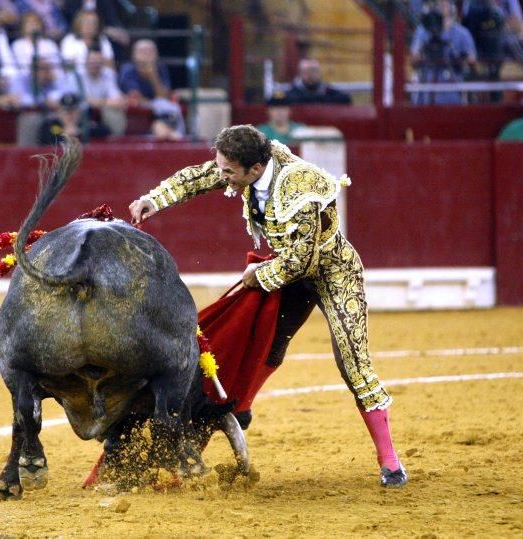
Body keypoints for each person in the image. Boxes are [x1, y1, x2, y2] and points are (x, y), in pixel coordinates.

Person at [128, 125, 408, 488]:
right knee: (269, 341)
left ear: (255, 169)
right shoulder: (249, 163)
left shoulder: (300, 190)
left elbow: (304, 259)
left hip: (333, 271)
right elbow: (202, 176)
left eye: (229, 171)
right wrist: (156, 198)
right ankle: (241, 405)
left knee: (352, 363)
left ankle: (390, 462)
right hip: (285, 268)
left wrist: (259, 273)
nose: (222, 176)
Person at [410, 0, 477, 105]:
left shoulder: (462, 33)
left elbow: (472, 60)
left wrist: (456, 58)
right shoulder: (422, 31)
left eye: (443, 3)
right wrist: (424, 51)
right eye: (437, 4)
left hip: (452, 92)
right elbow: (413, 60)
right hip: (426, 93)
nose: (440, 7)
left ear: (450, 6)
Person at [79, 46, 125, 135]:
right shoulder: (78, 75)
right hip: (82, 111)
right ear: (86, 62)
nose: (95, 64)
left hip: (102, 109)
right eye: (92, 61)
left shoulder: (108, 73)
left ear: (102, 63)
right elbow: (86, 99)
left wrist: (106, 102)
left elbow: (117, 98)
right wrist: (106, 102)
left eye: (98, 62)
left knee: (115, 113)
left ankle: (115, 142)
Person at [118, 38, 171, 104]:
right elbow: (134, 97)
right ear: (134, 55)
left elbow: (164, 97)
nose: (147, 55)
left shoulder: (160, 67)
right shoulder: (128, 69)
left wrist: (153, 76)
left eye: (151, 51)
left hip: (158, 105)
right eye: (143, 51)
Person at [11, 12, 61, 77]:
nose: (33, 26)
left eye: (36, 23)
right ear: (23, 26)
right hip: (27, 80)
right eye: (29, 23)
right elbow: (20, 69)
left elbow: (58, 68)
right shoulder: (17, 45)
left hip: (51, 78)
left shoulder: (49, 44)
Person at [286, 58, 351, 105]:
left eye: (313, 71)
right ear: (300, 74)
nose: (310, 75)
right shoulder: (291, 95)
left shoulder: (329, 92)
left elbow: (345, 99)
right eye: (306, 72)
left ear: (319, 73)